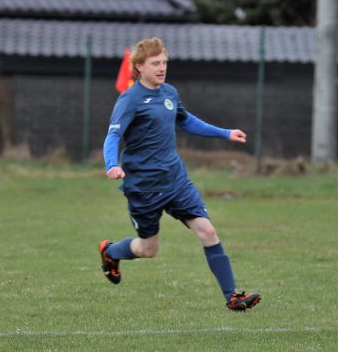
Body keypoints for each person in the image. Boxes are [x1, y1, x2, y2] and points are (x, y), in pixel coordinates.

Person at [98, 37, 261, 311]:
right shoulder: (129, 100)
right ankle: (110, 251)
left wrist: (225, 133)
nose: (162, 68)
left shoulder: (170, 93)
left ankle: (232, 296)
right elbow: (113, 136)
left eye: (164, 62)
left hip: (175, 180)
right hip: (144, 186)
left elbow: (186, 121)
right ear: (139, 67)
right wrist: (111, 164)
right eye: (155, 63)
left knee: (207, 231)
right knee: (148, 249)